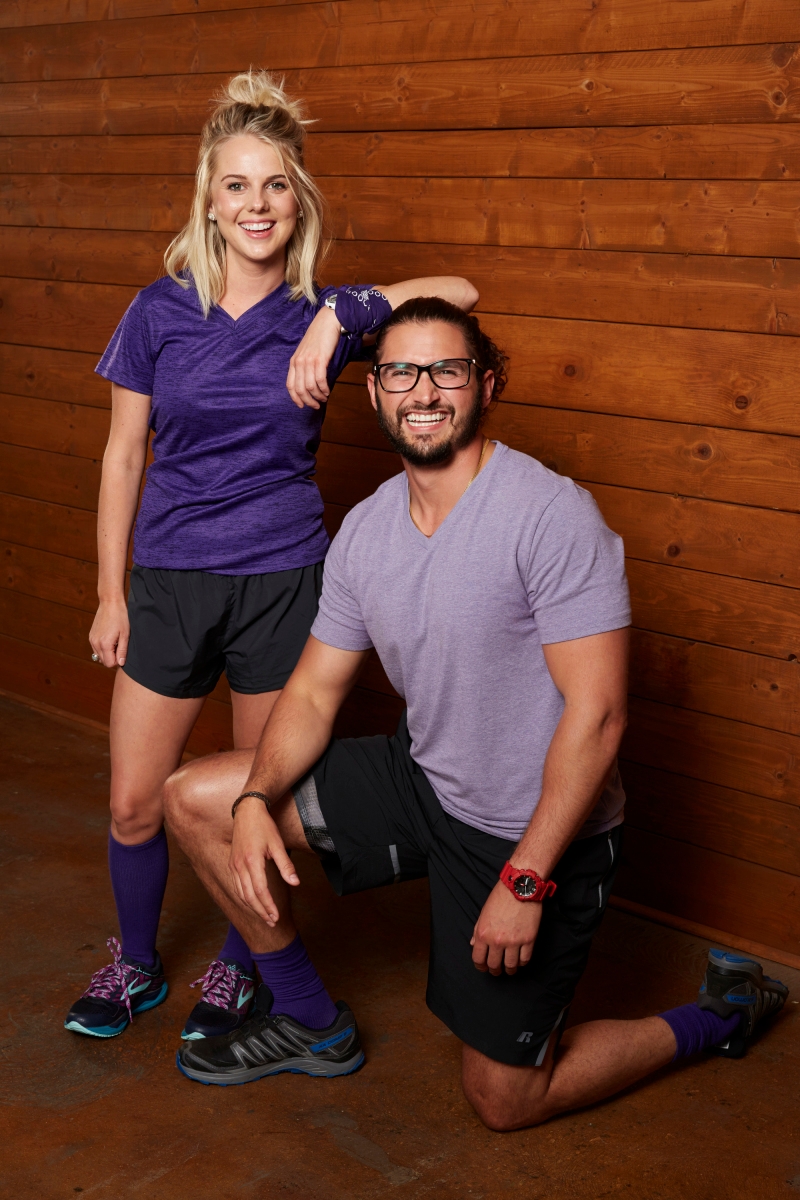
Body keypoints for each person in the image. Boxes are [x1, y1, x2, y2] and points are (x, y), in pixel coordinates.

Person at [163, 298, 788, 1126]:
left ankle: (721, 1015)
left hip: (530, 831)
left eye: (446, 371)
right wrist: (253, 800)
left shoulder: (549, 514)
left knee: (505, 1099)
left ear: (486, 386)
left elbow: (599, 715)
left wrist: (526, 880)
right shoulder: (366, 530)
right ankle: (311, 1023)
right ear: (375, 391)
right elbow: (312, 692)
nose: (423, 391)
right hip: (425, 777)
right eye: (400, 372)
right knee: (195, 799)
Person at [64, 72, 478, 1043]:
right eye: (237, 184)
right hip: (169, 584)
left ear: (299, 201)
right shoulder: (157, 312)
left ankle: (239, 968)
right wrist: (110, 594)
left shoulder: (323, 313)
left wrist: (341, 314)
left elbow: (460, 295)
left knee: (255, 798)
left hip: (285, 585)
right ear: (209, 201)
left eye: (276, 184)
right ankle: (135, 964)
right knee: (135, 804)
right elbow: (123, 455)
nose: (257, 204)